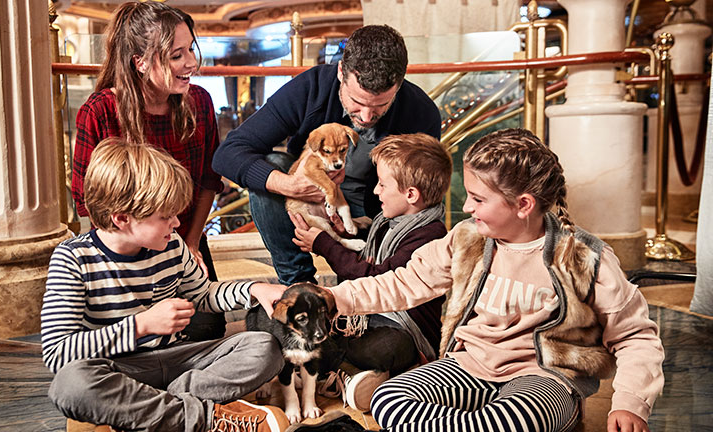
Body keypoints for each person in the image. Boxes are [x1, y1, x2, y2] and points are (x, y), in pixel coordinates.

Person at [317, 128, 666, 432]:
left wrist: (630, 401)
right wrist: (331, 299)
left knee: (517, 419)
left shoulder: (583, 257)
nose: (466, 206)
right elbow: (404, 282)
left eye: (478, 199)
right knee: (389, 398)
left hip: (544, 379)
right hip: (469, 365)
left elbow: (636, 336)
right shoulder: (467, 239)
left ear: (523, 205)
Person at [43, 139, 290, 432]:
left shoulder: (172, 245)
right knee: (70, 385)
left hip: (179, 360)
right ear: (122, 218)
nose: (175, 223)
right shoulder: (72, 258)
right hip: (118, 369)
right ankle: (207, 418)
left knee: (265, 347)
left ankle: (147, 411)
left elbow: (205, 295)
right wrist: (142, 325)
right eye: (165, 216)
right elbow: (58, 353)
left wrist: (254, 289)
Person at [212, 24, 442, 286]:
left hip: (378, 213)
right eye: (357, 102)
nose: (366, 117)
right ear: (341, 72)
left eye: (380, 105)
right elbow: (228, 154)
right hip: (307, 208)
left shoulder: (421, 113)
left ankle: (361, 279)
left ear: (399, 84)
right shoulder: (311, 88)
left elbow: (422, 201)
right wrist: (290, 185)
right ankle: (298, 284)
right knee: (271, 165)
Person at [72, 1, 227, 341]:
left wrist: (190, 245)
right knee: (134, 341)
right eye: (176, 55)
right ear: (139, 62)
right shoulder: (99, 112)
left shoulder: (199, 102)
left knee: (207, 331)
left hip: (183, 242)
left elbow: (208, 182)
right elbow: (89, 206)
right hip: (123, 253)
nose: (191, 63)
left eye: (190, 50)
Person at [289, 133, 451, 412]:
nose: (375, 191)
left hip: (405, 328)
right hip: (367, 318)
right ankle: (362, 376)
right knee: (311, 329)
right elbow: (370, 252)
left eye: (382, 184)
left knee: (384, 347)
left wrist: (325, 244)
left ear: (411, 195)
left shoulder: (431, 235)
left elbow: (375, 277)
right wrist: (343, 233)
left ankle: (343, 371)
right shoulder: (389, 220)